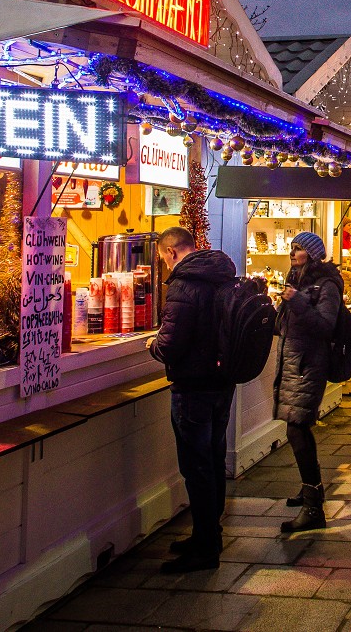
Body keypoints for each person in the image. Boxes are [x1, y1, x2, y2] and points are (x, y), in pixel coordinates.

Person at [148, 226, 240, 573]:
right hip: (221, 383)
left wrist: (153, 346)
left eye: (163, 259)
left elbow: (171, 343)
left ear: (171, 252)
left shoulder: (184, 285)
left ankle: (205, 548)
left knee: (196, 466)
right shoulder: (222, 277)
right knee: (213, 459)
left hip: (193, 387)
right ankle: (209, 533)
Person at [275, 231, 343, 534]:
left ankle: (314, 505)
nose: (293, 252)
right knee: (297, 427)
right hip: (293, 362)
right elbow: (285, 325)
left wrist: (298, 301)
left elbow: (326, 326)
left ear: (313, 254)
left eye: (299, 248)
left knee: (297, 427)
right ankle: (309, 488)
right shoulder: (297, 280)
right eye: (292, 247)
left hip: (309, 365)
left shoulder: (326, 284)